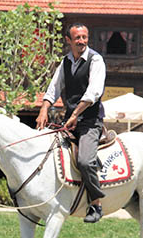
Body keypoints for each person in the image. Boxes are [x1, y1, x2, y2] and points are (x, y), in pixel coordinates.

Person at [36, 23, 106, 223]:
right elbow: (54, 88)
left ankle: (96, 204)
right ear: (69, 41)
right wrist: (43, 108)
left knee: (84, 160)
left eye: (85, 37)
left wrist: (75, 114)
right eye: (78, 38)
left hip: (90, 120)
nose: (82, 41)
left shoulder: (96, 60)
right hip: (70, 119)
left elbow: (94, 92)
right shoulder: (65, 62)